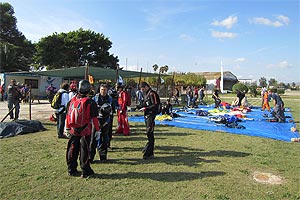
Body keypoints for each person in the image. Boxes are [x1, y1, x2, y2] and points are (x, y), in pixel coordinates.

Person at [65, 80, 100, 178]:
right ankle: (85, 170)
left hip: (73, 129)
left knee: (72, 149)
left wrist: (67, 128)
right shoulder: (90, 102)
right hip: (85, 130)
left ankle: (71, 169)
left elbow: (67, 115)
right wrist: (97, 130)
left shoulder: (72, 100)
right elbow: (94, 119)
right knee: (84, 149)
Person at [90, 84, 113, 162]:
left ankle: (103, 156)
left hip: (106, 121)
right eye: (102, 89)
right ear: (99, 90)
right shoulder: (95, 98)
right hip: (96, 121)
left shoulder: (109, 98)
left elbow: (112, 110)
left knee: (104, 139)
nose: (103, 91)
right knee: (93, 139)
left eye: (105, 90)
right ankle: (90, 157)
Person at [139, 82, 160, 159]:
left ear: (146, 87)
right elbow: (145, 103)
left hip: (151, 115)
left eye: (143, 88)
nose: (142, 90)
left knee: (150, 133)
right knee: (148, 133)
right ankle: (148, 149)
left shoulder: (152, 94)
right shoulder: (146, 94)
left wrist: (146, 108)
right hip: (147, 115)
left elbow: (155, 105)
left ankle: (149, 153)